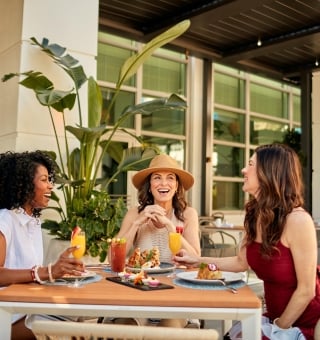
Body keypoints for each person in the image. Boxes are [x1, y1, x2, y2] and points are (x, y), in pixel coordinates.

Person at [174, 143, 320, 340]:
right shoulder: (254, 214)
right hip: (274, 317)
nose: (243, 169)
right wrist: (196, 260)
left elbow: (306, 290)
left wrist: (275, 330)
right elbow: (240, 262)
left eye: (250, 164)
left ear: (269, 172)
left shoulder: (298, 220)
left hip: (301, 323)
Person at [0, 151, 86, 340]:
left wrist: (59, 268)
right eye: (44, 180)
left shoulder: (32, 222)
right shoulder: (4, 220)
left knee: (79, 317)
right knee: (74, 330)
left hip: (26, 308)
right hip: (6, 316)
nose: (50, 186)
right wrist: (45, 272)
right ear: (24, 183)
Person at [108, 153, 201, 327]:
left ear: (176, 186)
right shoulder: (135, 213)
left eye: (170, 178)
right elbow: (113, 259)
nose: (164, 183)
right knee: (124, 327)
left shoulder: (188, 214)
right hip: (138, 294)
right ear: (150, 186)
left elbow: (195, 261)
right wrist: (136, 224)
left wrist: (171, 228)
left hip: (176, 296)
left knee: (168, 330)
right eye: (157, 178)